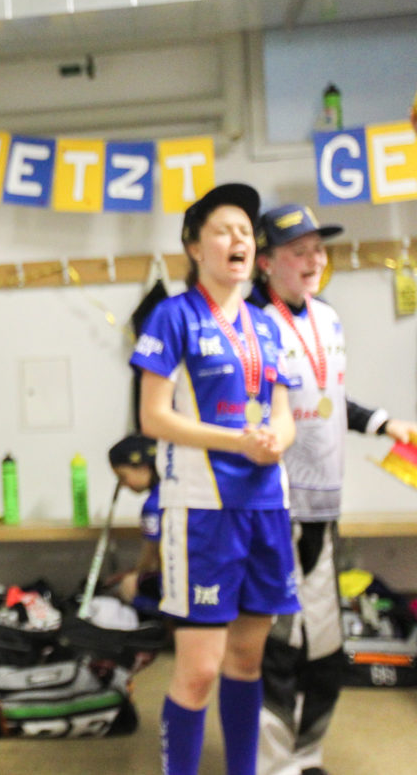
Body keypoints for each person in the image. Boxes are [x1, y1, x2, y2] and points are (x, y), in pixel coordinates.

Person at [131, 183, 299, 775]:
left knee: (247, 662)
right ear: (193, 245)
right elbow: (152, 416)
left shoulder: (268, 325)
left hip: (266, 508)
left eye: (247, 233)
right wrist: (236, 442)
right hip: (200, 511)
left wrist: (278, 436)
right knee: (199, 670)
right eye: (224, 230)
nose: (239, 241)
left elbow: (282, 410)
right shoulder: (172, 316)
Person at [248, 203, 417, 775]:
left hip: (325, 506)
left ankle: (305, 754)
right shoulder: (248, 323)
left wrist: (383, 422)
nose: (315, 259)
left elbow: (326, 401)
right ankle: (272, 765)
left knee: (324, 646)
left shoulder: (327, 318)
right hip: (272, 511)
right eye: (299, 251)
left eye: (319, 248)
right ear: (266, 262)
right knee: (279, 644)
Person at [105, 433, 162, 615]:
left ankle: (159, 626)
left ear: (143, 467)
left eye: (123, 476)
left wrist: (133, 576)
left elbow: (151, 558)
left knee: (128, 585)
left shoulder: (153, 505)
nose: (122, 485)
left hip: (185, 582)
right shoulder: (173, 490)